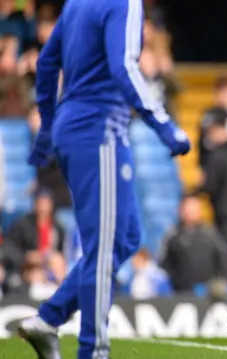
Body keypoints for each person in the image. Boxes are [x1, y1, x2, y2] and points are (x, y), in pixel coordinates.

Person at [17, 0, 191, 358]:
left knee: (126, 238)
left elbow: (47, 62)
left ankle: (48, 319)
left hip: (80, 127)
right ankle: (93, 350)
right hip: (98, 130)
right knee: (105, 244)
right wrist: (163, 123)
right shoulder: (124, 2)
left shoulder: (77, 4)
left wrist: (48, 126)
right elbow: (124, 67)